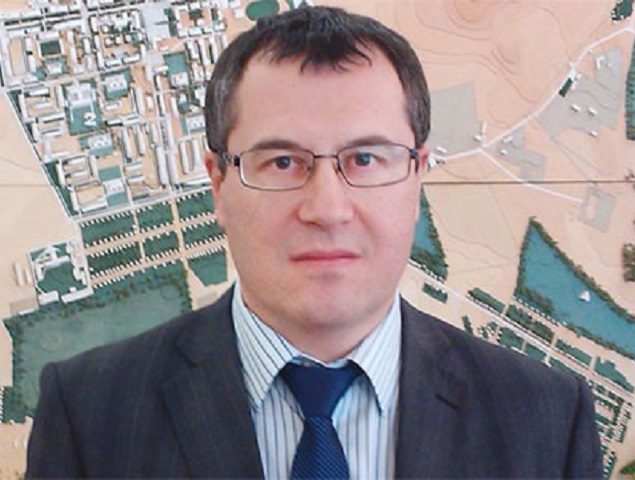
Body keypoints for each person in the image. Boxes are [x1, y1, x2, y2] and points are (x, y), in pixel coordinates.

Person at [26, 6, 603, 479]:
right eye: (282, 161)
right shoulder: (89, 414)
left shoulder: (547, 419)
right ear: (219, 185)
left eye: (366, 158)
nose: (327, 209)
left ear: (417, 176)